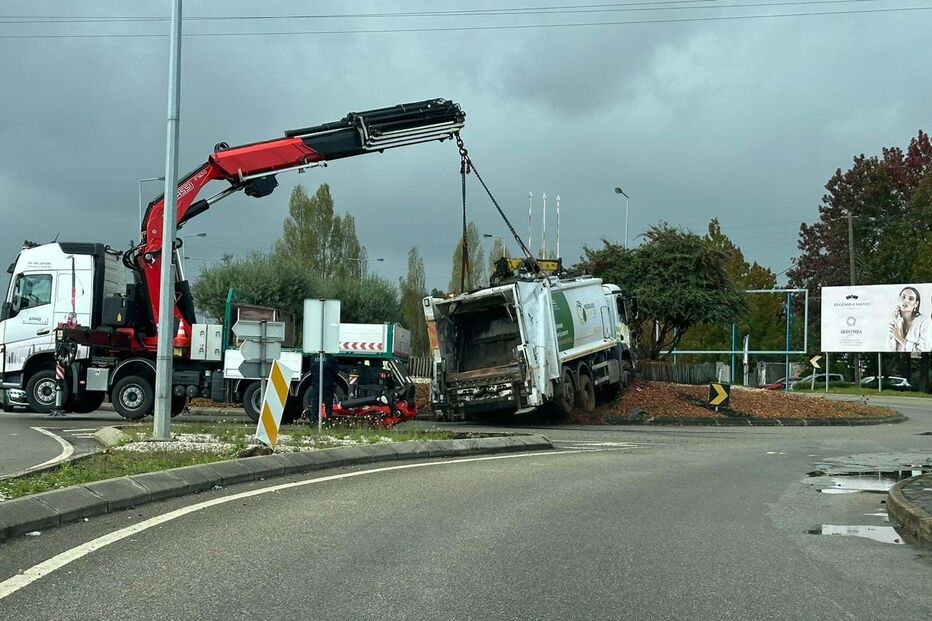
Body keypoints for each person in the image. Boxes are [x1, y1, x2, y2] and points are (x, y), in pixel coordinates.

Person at [886, 286, 931, 352]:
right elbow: (888, 350)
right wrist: (898, 324)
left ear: (916, 304)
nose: (906, 301)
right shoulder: (895, 321)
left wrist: (899, 338)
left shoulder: (925, 322)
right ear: (899, 300)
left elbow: (924, 351)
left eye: (911, 299)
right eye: (903, 297)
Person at [305, 353, 339, 423]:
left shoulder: (313, 358)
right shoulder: (330, 358)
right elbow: (335, 371)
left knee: (315, 402)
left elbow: (311, 370)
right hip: (328, 383)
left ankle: (313, 421)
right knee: (328, 404)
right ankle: (328, 421)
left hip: (316, 383)